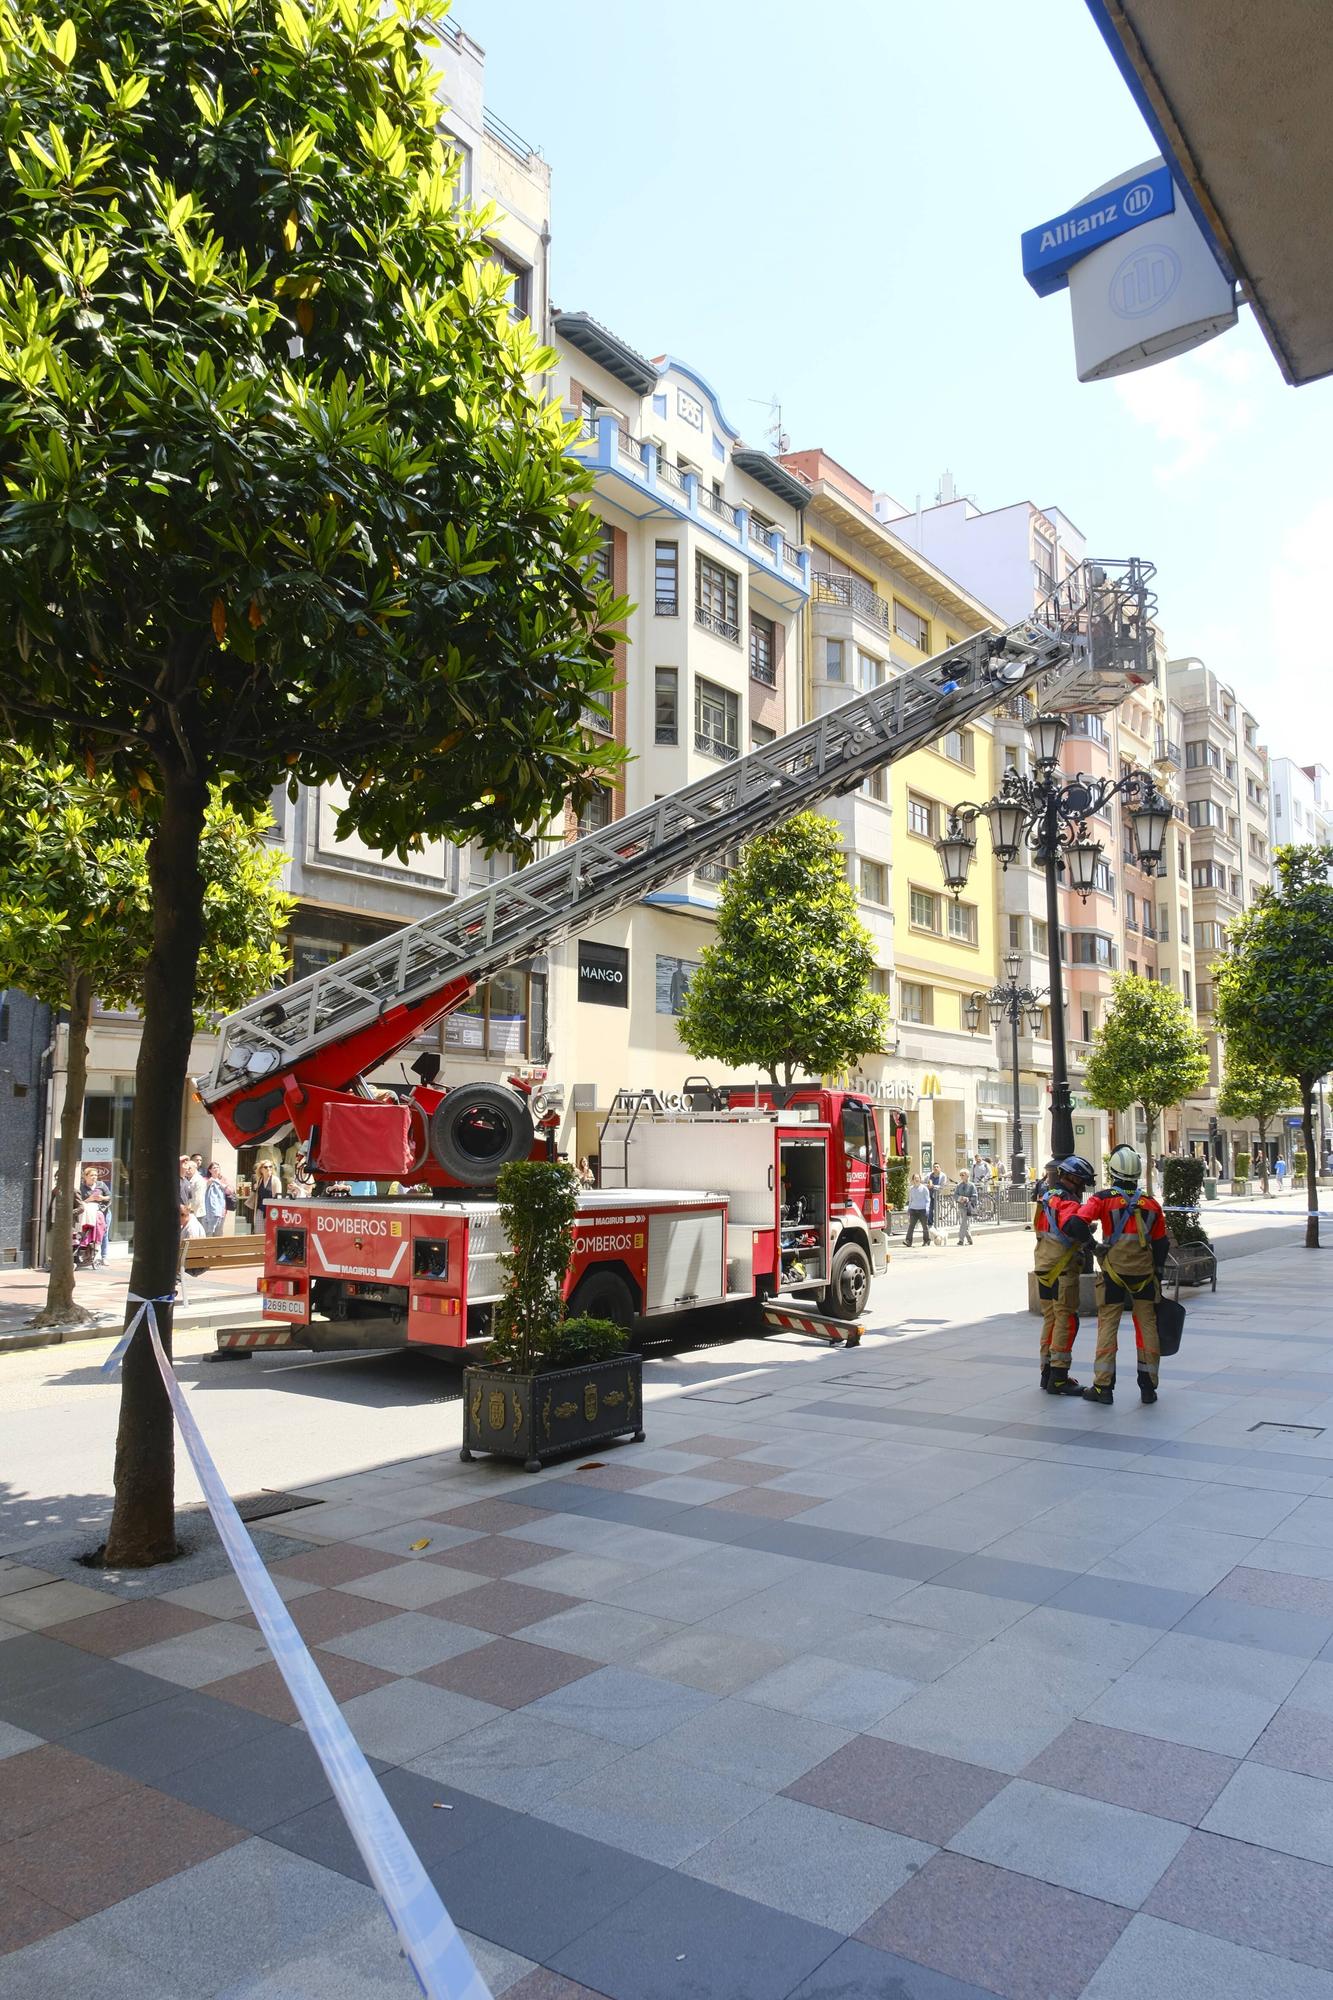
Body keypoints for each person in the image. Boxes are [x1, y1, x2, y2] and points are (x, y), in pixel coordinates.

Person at [1076, 1144, 1169, 1407]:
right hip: (1145, 1276)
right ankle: (1149, 1387)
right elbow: (1161, 1244)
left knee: (1108, 1326)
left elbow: (1076, 1224)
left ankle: (1103, 1387)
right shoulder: (1151, 1204)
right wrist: (1158, 1276)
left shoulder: (1102, 1199)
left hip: (1113, 1275)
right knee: (1147, 1327)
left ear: (1113, 1171)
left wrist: (1094, 1248)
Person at [1032, 1154, 1095, 1396]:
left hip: (1044, 1265)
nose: (1082, 1188)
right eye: (1081, 1183)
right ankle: (1059, 1377)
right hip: (1062, 1269)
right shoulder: (1067, 1202)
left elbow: (1047, 1229)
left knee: (1051, 1318)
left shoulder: (1046, 1197)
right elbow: (1072, 1226)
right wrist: (1091, 1242)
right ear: (1071, 1178)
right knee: (1067, 1320)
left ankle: (1046, 1372)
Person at [79, 1163, 111, 1266]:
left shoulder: (101, 1185)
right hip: (90, 1214)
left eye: (96, 1175)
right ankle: (90, 1256)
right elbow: (81, 1202)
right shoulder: (82, 1188)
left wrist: (102, 1198)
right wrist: (90, 1199)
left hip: (104, 1212)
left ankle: (104, 1257)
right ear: (86, 1176)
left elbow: (109, 1196)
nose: (94, 1177)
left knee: (104, 1233)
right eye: (92, 1175)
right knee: (92, 1233)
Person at [250, 1158, 280, 1227]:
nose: (269, 1169)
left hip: (272, 1211)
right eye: (266, 1167)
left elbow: (279, 1197)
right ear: (261, 1170)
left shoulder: (275, 1180)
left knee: (270, 1233)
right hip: (260, 1209)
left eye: (270, 1167)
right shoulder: (259, 1180)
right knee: (258, 1233)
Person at [202, 1163, 229, 1237]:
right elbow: (202, 1190)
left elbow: (230, 1192)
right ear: (210, 1170)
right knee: (208, 1232)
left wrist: (222, 1184)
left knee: (218, 1232)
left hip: (221, 1209)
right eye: (214, 1168)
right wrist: (209, 1182)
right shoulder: (205, 1179)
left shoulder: (223, 1179)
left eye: (217, 1167)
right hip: (208, 1211)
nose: (216, 1169)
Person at [904, 1173, 931, 1246]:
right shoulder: (911, 1189)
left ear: (920, 1179)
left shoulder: (924, 1188)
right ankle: (908, 1241)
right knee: (911, 1226)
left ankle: (926, 1241)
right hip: (913, 1209)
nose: (916, 1179)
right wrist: (909, 1209)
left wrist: (927, 1209)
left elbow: (927, 1199)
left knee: (924, 1226)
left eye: (918, 1178)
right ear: (913, 1180)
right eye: (915, 1178)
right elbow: (910, 1200)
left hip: (922, 1210)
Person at [953, 1171, 976, 1246]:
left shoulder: (971, 1185)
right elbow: (955, 1195)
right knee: (965, 1224)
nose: (961, 1176)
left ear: (967, 1175)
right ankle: (969, 1240)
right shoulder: (959, 1185)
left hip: (968, 1207)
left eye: (963, 1175)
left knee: (963, 1223)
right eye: (960, 1175)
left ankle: (961, 1240)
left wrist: (967, 1199)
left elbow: (975, 1197)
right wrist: (960, 1198)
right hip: (961, 1206)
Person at [179, 1155, 205, 1220]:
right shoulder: (186, 1180)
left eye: (189, 1168)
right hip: (184, 1213)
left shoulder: (198, 1180)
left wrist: (189, 1211)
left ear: (195, 1168)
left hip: (195, 1213)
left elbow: (197, 1200)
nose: (187, 1170)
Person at [926, 1164, 945, 1233]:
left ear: (940, 1168)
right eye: (934, 1167)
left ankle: (936, 1224)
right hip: (929, 1194)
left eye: (937, 1167)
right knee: (930, 1209)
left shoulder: (942, 1176)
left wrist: (933, 1186)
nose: (936, 1168)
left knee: (936, 1209)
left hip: (937, 1195)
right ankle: (930, 1223)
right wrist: (928, 1185)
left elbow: (942, 1186)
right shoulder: (929, 1175)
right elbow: (925, 1182)